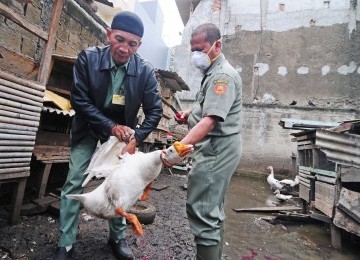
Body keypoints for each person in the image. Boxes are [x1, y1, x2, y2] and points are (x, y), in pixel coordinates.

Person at [54, 11, 163, 260]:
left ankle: (117, 238)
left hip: (123, 138)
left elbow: (155, 110)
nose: (124, 48)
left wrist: (136, 139)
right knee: (74, 182)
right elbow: (79, 100)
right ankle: (66, 243)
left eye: (132, 44)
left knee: (122, 185)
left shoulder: (145, 71)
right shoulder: (88, 59)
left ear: (139, 45)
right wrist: (110, 126)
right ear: (108, 34)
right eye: (119, 39)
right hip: (89, 128)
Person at [175, 23, 243, 260]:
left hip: (216, 150)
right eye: (193, 49)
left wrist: (178, 149)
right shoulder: (212, 73)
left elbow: (211, 121)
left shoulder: (222, 76)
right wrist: (190, 114)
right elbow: (206, 110)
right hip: (218, 147)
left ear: (217, 45)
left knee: (202, 210)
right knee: (212, 210)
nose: (196, 55)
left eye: (200, 48)